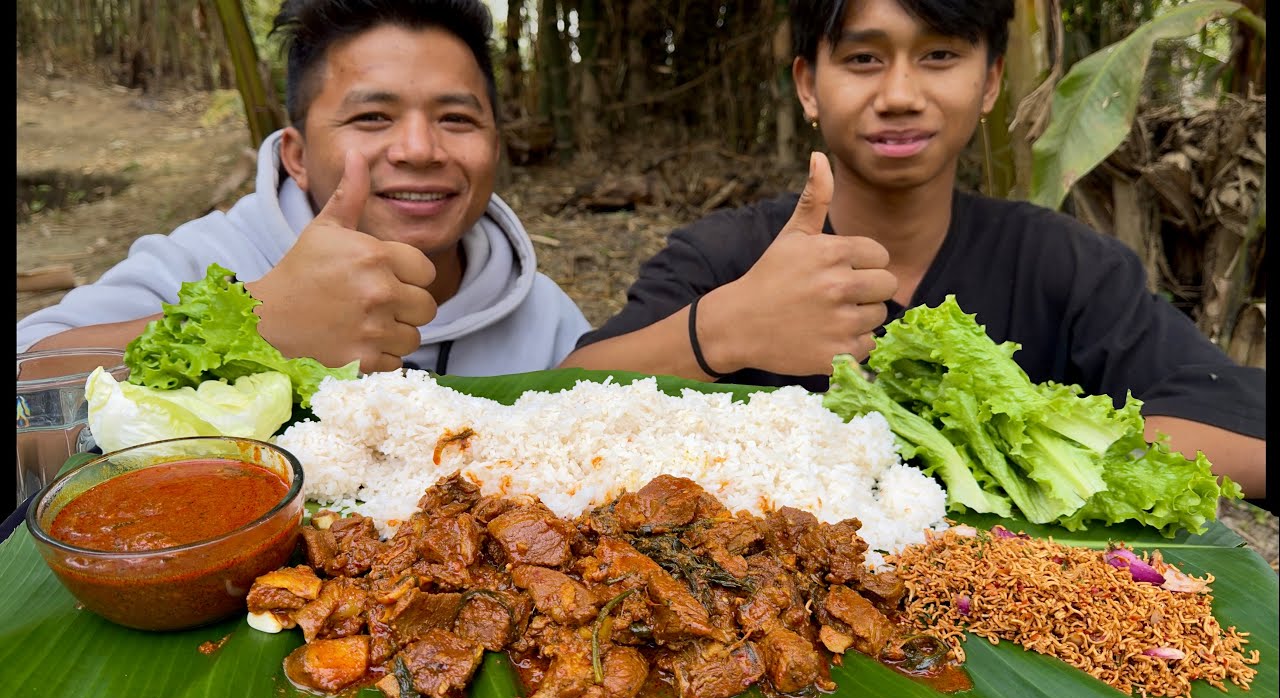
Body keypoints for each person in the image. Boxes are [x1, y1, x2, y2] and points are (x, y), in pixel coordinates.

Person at [560, 0, 1266, 502]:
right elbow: (555, 409)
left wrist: (1026, 444)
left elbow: (1238, 423)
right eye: (864, 58)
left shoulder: (1063, 263)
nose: (900, 94)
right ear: (809, 85)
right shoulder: (725, 255)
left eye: (939, 57)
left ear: (990, 81)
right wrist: (724, 328)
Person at [16, 0, 589, 377]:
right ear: (297, 156)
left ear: (496, 144)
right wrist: (255, 326)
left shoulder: (544, 317)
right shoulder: (206, 262)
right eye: (372, 118)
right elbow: (28, 383)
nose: (419, 149)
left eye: (457, 119)